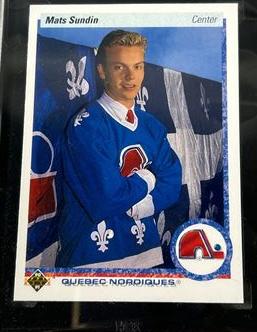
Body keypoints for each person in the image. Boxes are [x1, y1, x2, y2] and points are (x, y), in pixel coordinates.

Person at [56, 30, 182, 269]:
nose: (130, 76)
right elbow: (106, 197)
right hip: (92, 259)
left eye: (137, 67)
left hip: (148, 253)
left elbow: (172, 181)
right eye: (119, 67)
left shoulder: (152, 125)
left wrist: (144, 205)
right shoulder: (88, 124)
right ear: (102, 71)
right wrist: (147, 178)